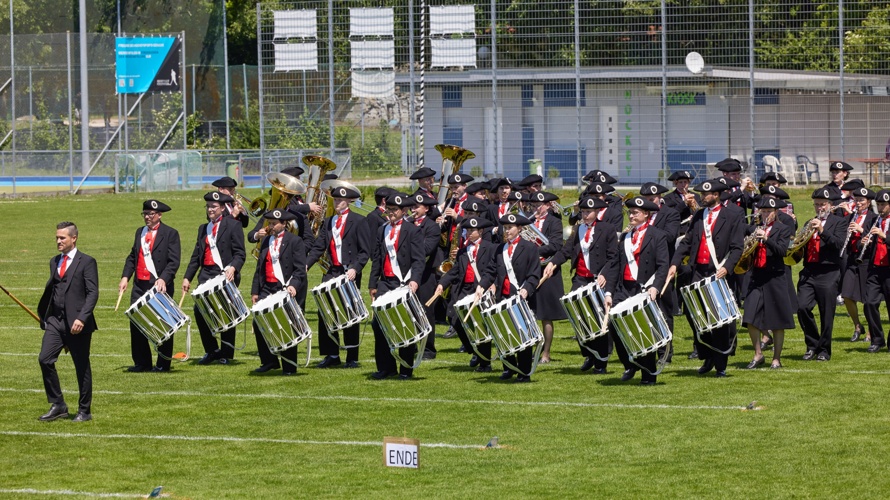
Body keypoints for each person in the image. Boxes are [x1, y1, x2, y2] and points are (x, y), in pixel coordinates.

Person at [668, 179, 745, 378]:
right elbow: (687, 242)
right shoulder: (700, 215)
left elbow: (737, 247)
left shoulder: (734, 214)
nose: (702, 197)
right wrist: (674, 264)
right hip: (697, 272)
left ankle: (720, 364)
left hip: (718, 272)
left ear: (717, 195)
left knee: (719, 321)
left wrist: (727, 268)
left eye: (706, 194)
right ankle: (707, 357)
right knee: (697, 317)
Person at [543, 196, 619, 373]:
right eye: (583, 211)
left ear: (597, 212)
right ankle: (589, 354)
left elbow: (613, 256)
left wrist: (604, 274)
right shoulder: (577, 229)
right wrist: (553, 263)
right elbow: (566, 251)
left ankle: (602, 359)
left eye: (588, 212)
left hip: (599, 279)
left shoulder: (607, 229)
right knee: (578, 316)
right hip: (580, 279)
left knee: (600, 320)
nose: (585, 215)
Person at [37, 221, 99, 422]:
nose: (58, 241)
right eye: (56, 237)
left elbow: (92, 293)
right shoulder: (54, 261)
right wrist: (44, 316)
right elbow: (53, 289)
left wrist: (82, 318)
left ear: (74, 238)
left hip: (78, 324)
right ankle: (58, 404)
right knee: (45, 359)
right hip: (56, 321)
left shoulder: (87, 262)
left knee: (81, 367)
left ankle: (84, 411)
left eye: (62, 238)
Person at [306, 185, 370, 369]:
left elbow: (365, 251)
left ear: (349, 201)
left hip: (348, 272)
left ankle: (352, 357)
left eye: (340, 201)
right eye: (335, 200)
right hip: (332, 271)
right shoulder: (328, 222)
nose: (337, 203)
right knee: (326, 311)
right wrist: (306, 264)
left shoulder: (359, 221)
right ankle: (331, 354)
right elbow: (319, 246)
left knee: (350, 312)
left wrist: (355, 269)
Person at [183, 192, 246, 365]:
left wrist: (233, 267)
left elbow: (240, 253)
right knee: (200, 311)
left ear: (222, 208)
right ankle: (211, 350)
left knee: (226, 313)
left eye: (214, 207)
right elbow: (197, 256)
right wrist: (187, 277)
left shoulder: (233, 225)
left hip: (226, 274)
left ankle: (226, 353)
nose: (210, 209)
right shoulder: (203, 228)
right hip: (206, 275)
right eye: (208, 206)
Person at [612, 197, 670, 385]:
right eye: (630, 212)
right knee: (615, 324)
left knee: (645, 330)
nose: (631, 215)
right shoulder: (625, 237)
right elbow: (616, 266)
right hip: (624, 288)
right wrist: (608, 293)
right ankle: (630, 363)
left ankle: (648, 374)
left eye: (635, 212)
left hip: (645, 288)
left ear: (646, 214)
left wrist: (656, 287)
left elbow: (663, 266)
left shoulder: (657, 235)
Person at [119, 200, 181, 372]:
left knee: (162, 323)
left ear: (159, 215)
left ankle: (163, 364)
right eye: (145, 214)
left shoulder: (170, 233)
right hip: (139, 284)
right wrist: (125, 277)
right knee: (137, 322)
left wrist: (163, 278)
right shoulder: (140, 232)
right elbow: (133, 257)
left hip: (159, 286)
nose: (147, 217)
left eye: (150, 214)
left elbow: (173, 262)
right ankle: (142, 362)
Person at [368, 193, 425, 380]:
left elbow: (418, 260)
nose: (390, 213)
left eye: (394, 210)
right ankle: (386, 367)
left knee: (403, 324)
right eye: (389, 209)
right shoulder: (381, 230)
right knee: (379, 324)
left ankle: (406, 368)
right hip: (386, 283)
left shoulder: (413, 231)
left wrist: (414, 280)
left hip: (404, 282)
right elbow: (377, 259)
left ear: (403, 211)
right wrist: (372, 284)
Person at [436, 216, 498, 371]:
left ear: (481, 231)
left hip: (481, 288)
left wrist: (492, 285)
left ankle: (485, 363)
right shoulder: (463, 251)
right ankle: (474, 350)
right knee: (455, 320)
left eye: (472, 230)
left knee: (481, 325)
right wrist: (442, 284)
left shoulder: (490, 248)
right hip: (464, 289)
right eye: (468, 230)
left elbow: (496, 270)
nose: (469, 233)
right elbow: (455, 270)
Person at [250, 209, 306, 375]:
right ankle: (269, 361)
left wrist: (293, 285)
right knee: (258, 322)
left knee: (286, 324)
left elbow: (300, 270)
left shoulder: (295, 241)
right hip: (267, 287)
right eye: (270, 223)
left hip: (284, 287)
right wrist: (255, 291)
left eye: (274, 224)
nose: (271, 226)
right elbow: (260, 267)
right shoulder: (266, 241)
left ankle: (289, 365)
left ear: (284, 224)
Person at [741, 198, 795, 369]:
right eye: (762, 211)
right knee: (749, 316)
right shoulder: (755, 229)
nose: (765, 214)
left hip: (775, 277)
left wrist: (766, 239)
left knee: (777, 320)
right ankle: (758, 354)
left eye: (768, 211)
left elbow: (782, 251)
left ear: (776, 212)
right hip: (757, 277)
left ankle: (776, 358)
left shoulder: (783, 229)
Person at [797, 189, 847, 362]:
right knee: (802, 307)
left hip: (829, 271)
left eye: (822, 204)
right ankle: (812, 345)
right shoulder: (808, 222)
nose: (819, 207)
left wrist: (823, 230)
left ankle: (824, 350)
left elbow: (839, 245)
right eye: (816, 204)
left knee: (826, 314)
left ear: (830, 205)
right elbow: (800, 245)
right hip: (809, 270)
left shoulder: (839, 222)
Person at [491, 213, 541, 382]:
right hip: (503, 297)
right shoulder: (500, 249)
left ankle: (524, 371)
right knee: (505, 333)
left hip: (521, 297)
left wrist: (526, 289)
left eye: (510, 228)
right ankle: (509, 367)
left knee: (522, 336)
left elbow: (534, 274)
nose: (507, 231)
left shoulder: (530, 248)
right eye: (505, 228)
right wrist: (483, 285)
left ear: (520, 229)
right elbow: (491, 272)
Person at [521, 191, 566, 363]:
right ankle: (530, 349)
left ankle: (546, 353)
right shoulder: (527, 221)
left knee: (546, 314)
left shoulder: (554, 222)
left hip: (547, 270)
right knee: (529, 312)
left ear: (547, 206)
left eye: (540, 205)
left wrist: (532, 251)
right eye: (533, 206)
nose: (536, 208)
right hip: (530, 270)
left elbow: (555, 244)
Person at [841, 187, 877, 343]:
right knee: (847, 295)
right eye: (856, 200)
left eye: (862, 200)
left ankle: (870, 330)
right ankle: (857, 326)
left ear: (868, 202)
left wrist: (861, 230)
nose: (858, 203)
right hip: (852, 259)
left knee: (867, 298)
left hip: (867, 260)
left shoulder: (874, 218)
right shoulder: (851, 217)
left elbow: (875, 238)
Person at [410, 192, 442, 359]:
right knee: (410, 311)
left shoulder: (432, 227)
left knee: (425, 311)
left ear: (426, 208)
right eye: (412, 206)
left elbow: (426, 249)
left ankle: (428, 349)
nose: (413, 209)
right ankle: (413, 346)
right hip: (409, 273)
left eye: (416, 207)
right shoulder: (408, 223)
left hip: (426, 274)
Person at [863, 189, 890, 353]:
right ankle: (877, 339)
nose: (880, 208)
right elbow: (866, 242)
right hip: (875, 268)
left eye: (883, 205)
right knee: (869, 303)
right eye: (879, 204)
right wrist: (863, 241)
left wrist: (883, 236)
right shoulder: (874, 220)